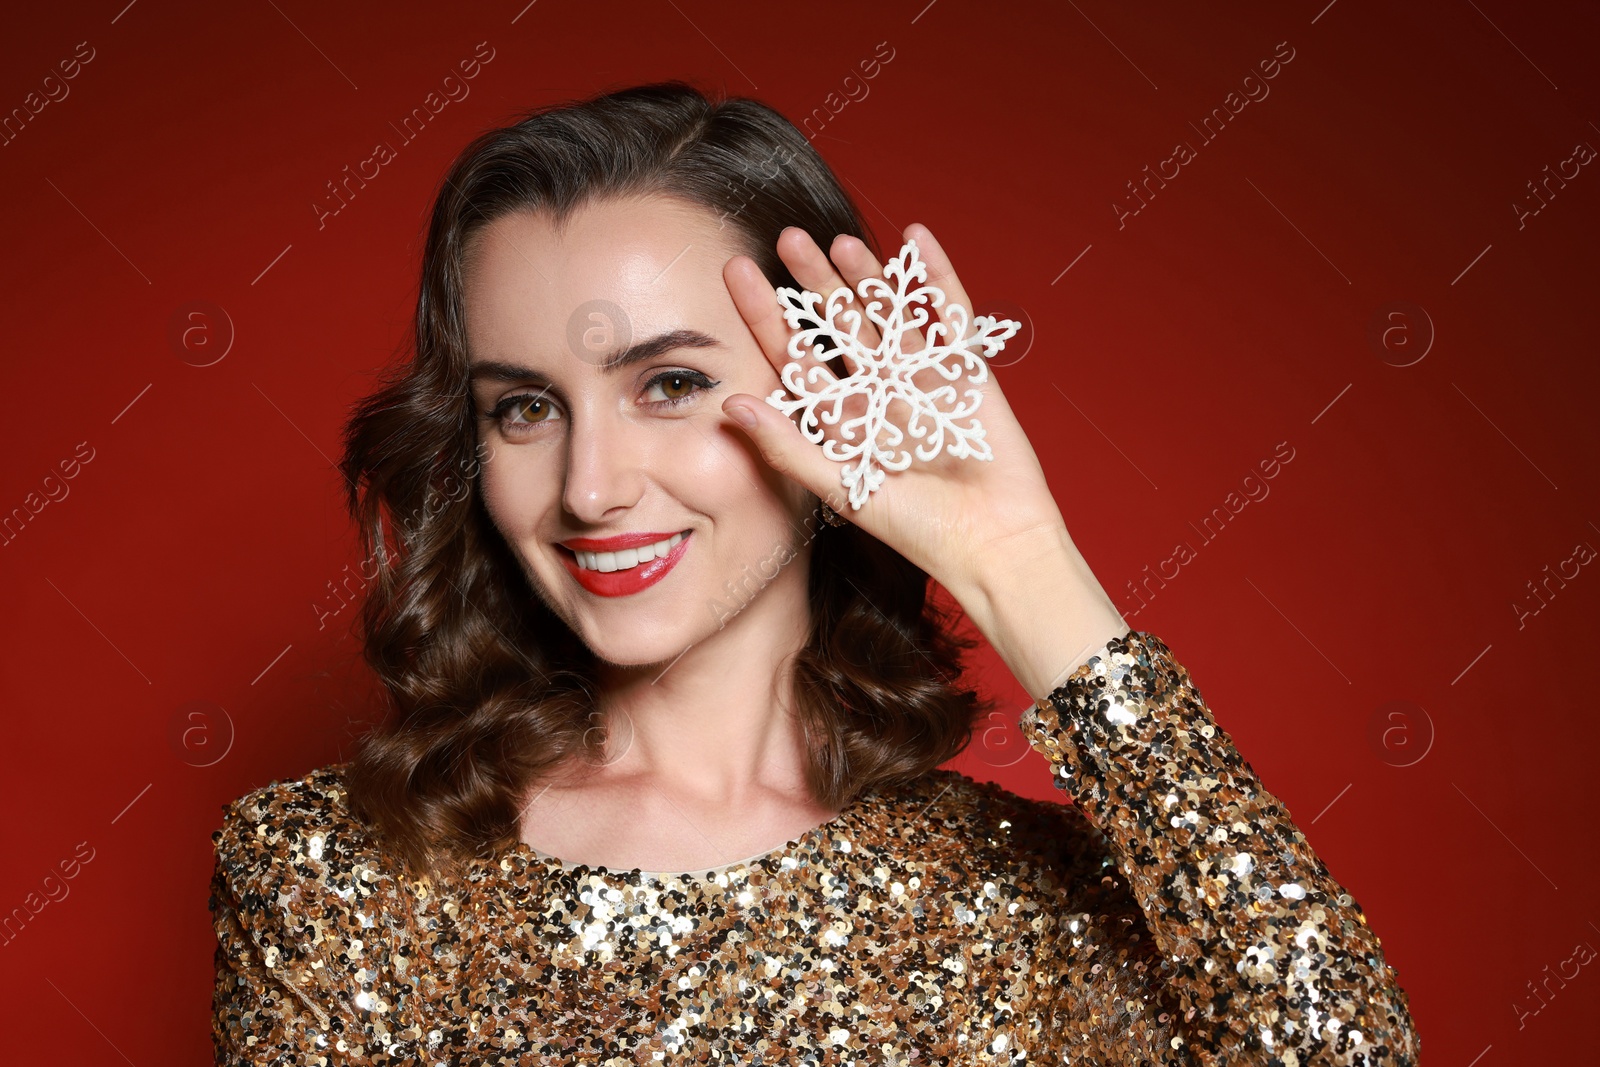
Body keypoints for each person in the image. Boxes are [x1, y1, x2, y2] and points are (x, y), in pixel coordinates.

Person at [208, 81, 1420, 1064]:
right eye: (525, 407)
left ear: (828, 395)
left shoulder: (1033, 902)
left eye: (669, 383)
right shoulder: (333, 875)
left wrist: (1019, 564)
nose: (589, 487)